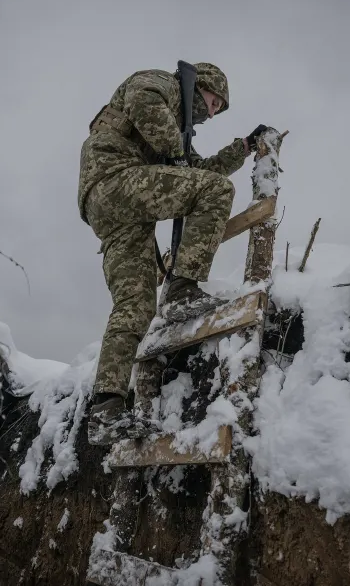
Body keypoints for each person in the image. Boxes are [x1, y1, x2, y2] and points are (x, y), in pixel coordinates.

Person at [77, 61, 266, 444]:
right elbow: (141, 99)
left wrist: (242, 149)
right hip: (115, 179)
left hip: (108, 208)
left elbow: (197, 169)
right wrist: (175, 149)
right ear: (199, 87)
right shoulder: (161, 84)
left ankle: (106, 409)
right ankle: (181, 289)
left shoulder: (176, 134)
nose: (212, 114)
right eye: (214, 103)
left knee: (136, 304)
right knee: (215, 192)